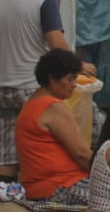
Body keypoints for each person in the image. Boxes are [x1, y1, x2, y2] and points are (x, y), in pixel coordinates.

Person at [0, 0, 94, 182]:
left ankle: (5, 195)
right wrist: (79, 65)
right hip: (32, 87)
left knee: (8, 153)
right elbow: (55, 41)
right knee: (45, 146)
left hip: (2, 85)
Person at [16, 50, 92, 204]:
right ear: (52, 78)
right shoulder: (52, 107)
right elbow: (81, 154)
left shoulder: (33, 103)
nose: (74, 85)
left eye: (75, 79)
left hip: (44, 187)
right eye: (70, 79)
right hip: (60, 187)